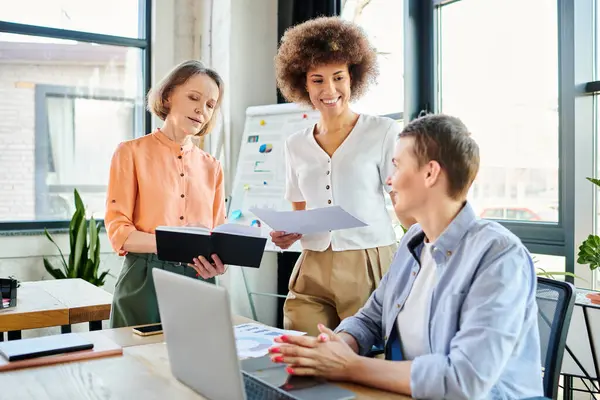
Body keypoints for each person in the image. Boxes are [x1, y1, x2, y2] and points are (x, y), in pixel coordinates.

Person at [268, 114, 544, 400]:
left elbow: (464, 381)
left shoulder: (499, 256)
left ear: (430, 173)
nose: (389, 179)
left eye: (397, 166)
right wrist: (335, 345)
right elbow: (370, 319)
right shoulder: (413, 241)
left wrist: (349, 366)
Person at [271, 16, 412, 336]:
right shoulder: (295, 144)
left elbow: (400, 197)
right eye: (317, 80)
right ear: (303, 84)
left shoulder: (382, 131)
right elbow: (300, 212)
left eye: (338, 77)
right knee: (304, 348)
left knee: (366, 352)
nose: (329, 89)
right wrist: (288, 233)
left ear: (353, 78)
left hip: (367, 258)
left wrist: (424, 246)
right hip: (313, 264)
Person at [105, 60, 228, 328]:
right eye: (194, 97)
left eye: (210, 105)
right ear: (169, 95)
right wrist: (175, 244)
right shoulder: (130, 153)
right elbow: (119, 232)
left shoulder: (213, 167)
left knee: (197, 366)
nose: (201, 110)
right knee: (137, 366)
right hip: (144, 278)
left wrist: (220, 263)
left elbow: (217, 236)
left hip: (199, 279)